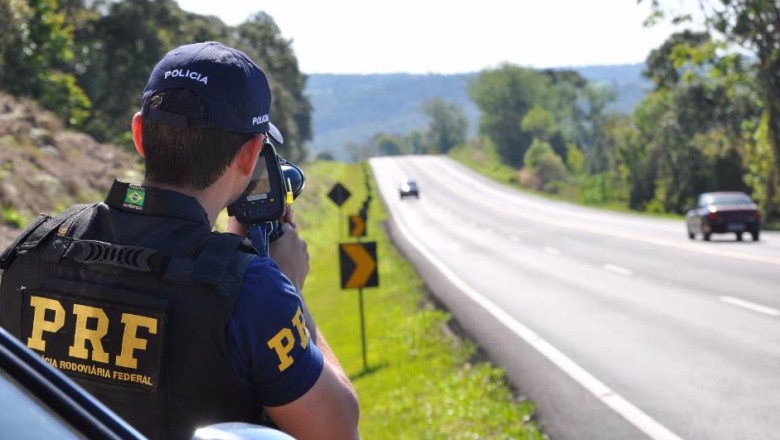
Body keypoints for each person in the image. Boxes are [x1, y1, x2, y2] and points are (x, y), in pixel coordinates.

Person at [0, 41, 359, 440]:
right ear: (251, 154)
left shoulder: (36, 246)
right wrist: (290, 292)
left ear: (139, 133)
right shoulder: (253, 291)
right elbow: (339, 429)